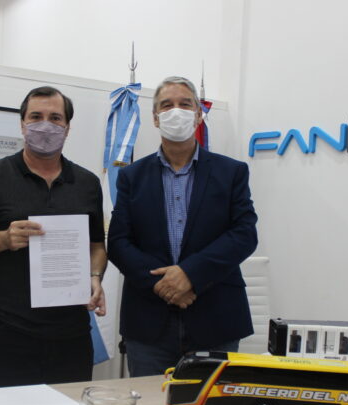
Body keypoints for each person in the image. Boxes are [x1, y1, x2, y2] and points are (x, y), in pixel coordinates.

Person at [0, 86, 107, 389]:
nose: (45, 125)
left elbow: (97, 246)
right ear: (22, 124)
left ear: (68, 127)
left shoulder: (87, 183)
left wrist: (95, 276)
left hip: (71, 334)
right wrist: (2, 239)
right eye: (36, 117)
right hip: (6, 333)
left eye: (55, 118)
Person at [108, 76, 258, 377]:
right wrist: (164, 285)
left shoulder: (231, 172)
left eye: (185, 104)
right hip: (148, 322)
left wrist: (190, 274)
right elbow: (119, 243)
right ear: (155, 118)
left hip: (216, 318)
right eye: (166, 105)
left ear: (198, 114)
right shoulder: (131, 176)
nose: (176, 111)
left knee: (210, 404)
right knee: (150, 403)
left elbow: (244, 235)